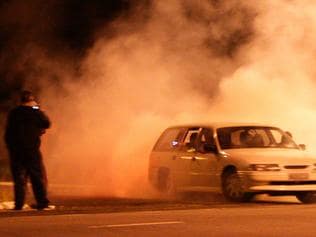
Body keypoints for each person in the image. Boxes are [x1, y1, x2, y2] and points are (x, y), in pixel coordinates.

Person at [4, 90, 52, 210]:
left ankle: (18, 204)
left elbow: (8, 133)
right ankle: (42, 202)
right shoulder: (35, 112)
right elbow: (46, 123)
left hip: (16, 151)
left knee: (19, 178)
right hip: (31, 150)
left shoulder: (14, 113)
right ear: (31, 100)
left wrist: (11, 147)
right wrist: (38, 109)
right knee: (36, 177)